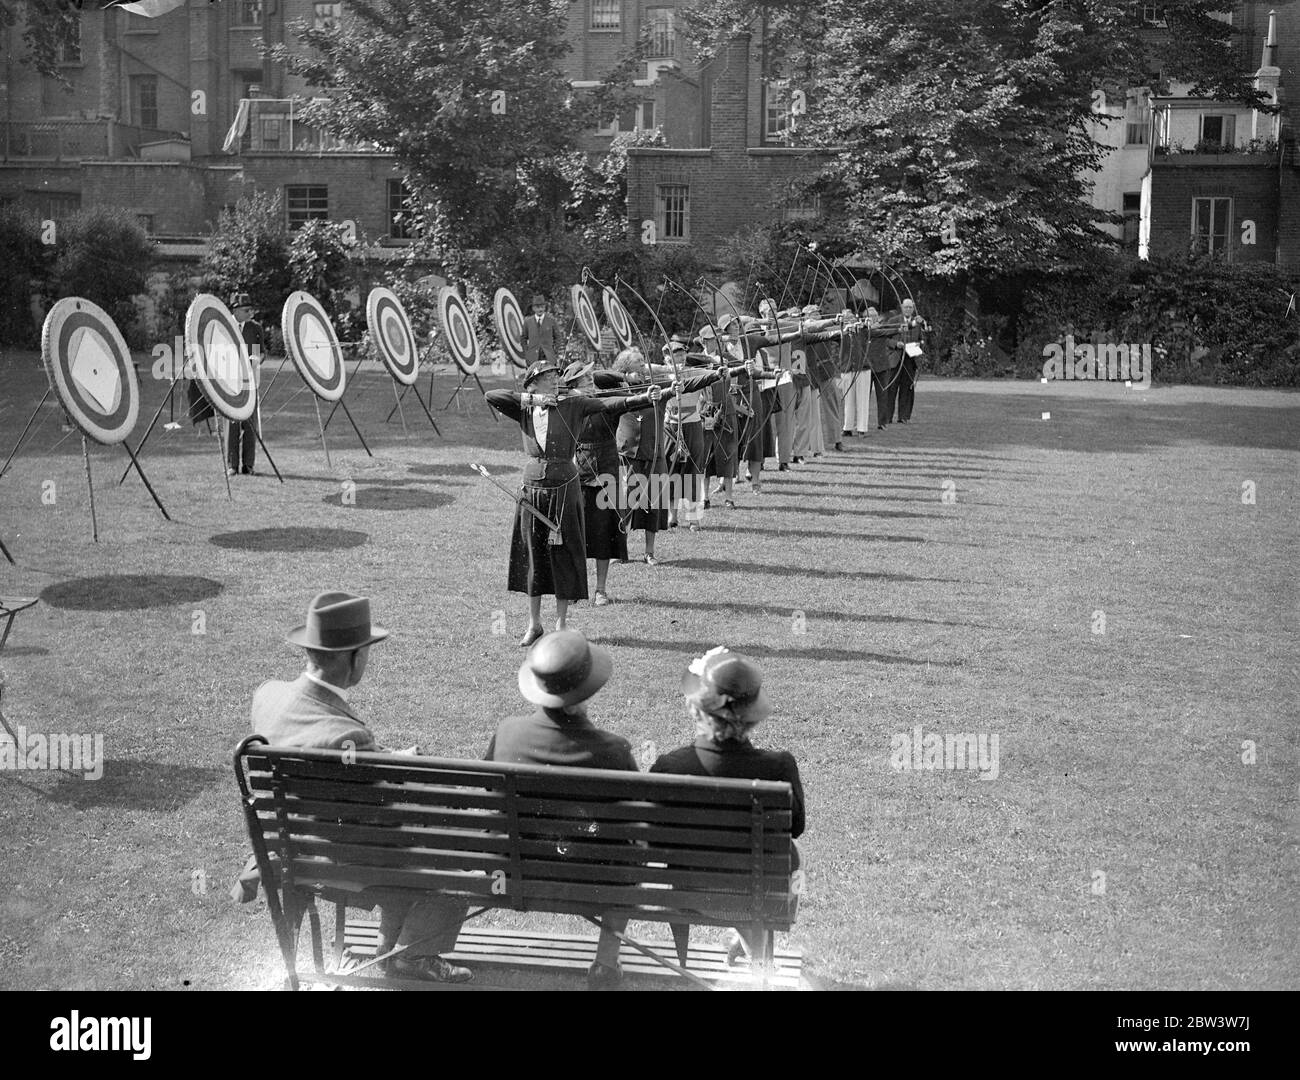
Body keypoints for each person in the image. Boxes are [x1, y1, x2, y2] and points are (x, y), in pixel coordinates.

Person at [237, 591, 473, 983]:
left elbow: (318, 753)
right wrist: (398, 767)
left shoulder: (268, 697)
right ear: (355, 657)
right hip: (344, 858)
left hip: (292, 847)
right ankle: (410, 954)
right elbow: (388, 818)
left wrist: (386, 758)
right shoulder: (348, 736)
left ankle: (390, 949)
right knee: (457, 849)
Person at [486, 630, 637, 990]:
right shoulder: (613, 751)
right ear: (589, 689)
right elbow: (636, 821)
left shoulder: (507, 735)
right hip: (595, 883)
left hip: (512, 876)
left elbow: (488, 795)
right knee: (631, 854)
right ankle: (605, 963)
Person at [650, 646, 805, 967]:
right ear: (752, 715)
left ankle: (744, 944)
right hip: (759, 896)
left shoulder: (670, 766)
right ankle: (756, 953)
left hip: (690, 894)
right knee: (777, 861)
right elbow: (797, 827)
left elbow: (653, 840)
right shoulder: (778, 767)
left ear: (698, 709)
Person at [486, 361, 659, 645]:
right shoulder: (526, 407)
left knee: (564, 551)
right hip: (533, 486)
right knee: (533, 553)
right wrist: (534, 399)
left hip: (565, 484)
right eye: (548, 377)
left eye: (556, 376)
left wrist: (643, 397)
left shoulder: (574, 405)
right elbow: (492, 396)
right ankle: (534, 624)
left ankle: (561, 625)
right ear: (533, 383)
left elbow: (612, 404)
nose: (555, 380)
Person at [570, 363, 657, 606]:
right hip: (576, 476)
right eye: (585, 381)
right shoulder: (567, 405)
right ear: (574, 387)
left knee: (604, 535)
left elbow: (631, 403)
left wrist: (653, 394)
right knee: (574, 536)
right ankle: (576, 588)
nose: (592, 383)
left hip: (606, 476)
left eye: (591, 380)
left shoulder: (605, 403)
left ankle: (600, 590)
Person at [227, 292, 262, 476]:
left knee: (250, 425)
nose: (250, 312)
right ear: (235, 310)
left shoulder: (255, 328)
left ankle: (248, 465)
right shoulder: (225, 326)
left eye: (251, 309)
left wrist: (257, 358)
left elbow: (261, 352)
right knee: (232, 423)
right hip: (230, 382)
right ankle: (232, 465)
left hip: (250, 382)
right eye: (246, 309)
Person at [892, 298, 929, 424]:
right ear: (901, 307)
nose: (908, 309)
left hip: (910, 359)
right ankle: (887, 417)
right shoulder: (894, 321)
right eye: (906, 307)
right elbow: (886, 339)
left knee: (907, 388)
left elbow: (923, 338)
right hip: (896, 359)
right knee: (892, 388)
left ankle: (904, 416)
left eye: (910, 307)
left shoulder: (917, 323)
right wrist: (896, 344)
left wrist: (919, 344)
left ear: (913, 309)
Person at [523, 293, 561, 365]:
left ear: (544, 307)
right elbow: (523, 338)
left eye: (542, 307)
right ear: (533, 308)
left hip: (549, 357)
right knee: (534, 376)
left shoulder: (551, 320)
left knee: (549, 375)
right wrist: (526, 353)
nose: (540, 309)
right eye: (537, 307)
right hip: (532, 358)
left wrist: (555, 350)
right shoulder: (527, 322)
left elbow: (558, 337)